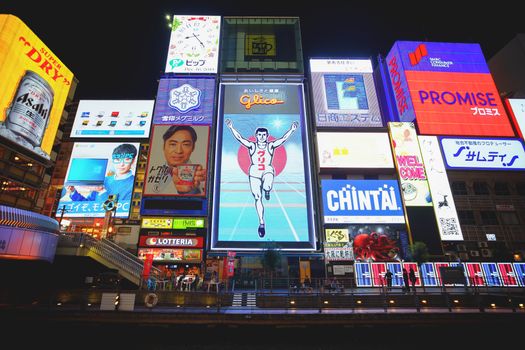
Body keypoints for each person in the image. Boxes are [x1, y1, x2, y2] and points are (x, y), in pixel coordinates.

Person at [225, 119, 298, 238]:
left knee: (267, 186)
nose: (262, 137)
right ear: (256, 136)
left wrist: (292, 130)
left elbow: (283, 139)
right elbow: (240, 138)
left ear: (267, 136)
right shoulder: (252, 146)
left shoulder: (271, 145)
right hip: (254, 173)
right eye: (260, 135)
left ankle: (267, 190)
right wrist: (231, 127)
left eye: (264, 135)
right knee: (258, 197)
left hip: (267, 170)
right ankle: (262, 223)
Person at [65, 143, 138, 202]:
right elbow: (89, 204)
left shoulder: (134, 185)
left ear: (133, 160)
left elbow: (116, 211)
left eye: (127, 159)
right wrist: (73, 192)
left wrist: (102, 191)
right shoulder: (104, 180)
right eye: (117, 159)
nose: (121, 164)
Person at [161, 125, 206, 195]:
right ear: (164, 146)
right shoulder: (153, 173)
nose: (179, 151)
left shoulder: (201, 176)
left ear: (193, 148)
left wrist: (191, 191)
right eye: (173, 144)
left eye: (186, 144)